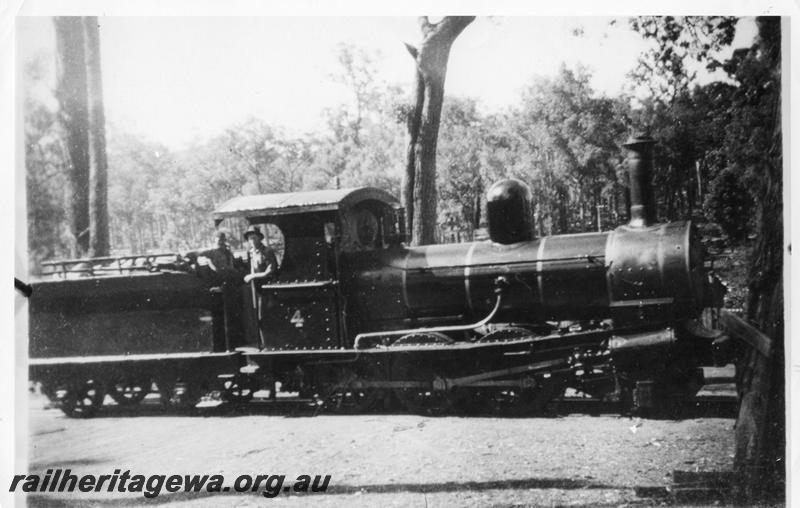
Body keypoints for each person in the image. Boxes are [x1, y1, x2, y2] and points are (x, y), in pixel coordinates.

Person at [243, 225, 279, 349]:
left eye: (254, 238)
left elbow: (270, 271)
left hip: (267, 288)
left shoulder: (267, 251)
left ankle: (270, 345)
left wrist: (252, 276)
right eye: (250, 238)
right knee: (256, 317)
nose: (252, 241)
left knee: (264, 316)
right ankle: (263, 345)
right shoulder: (251, 253)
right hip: (256, 289)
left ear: (259, 238)